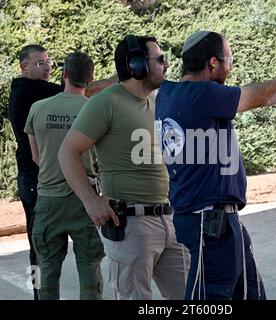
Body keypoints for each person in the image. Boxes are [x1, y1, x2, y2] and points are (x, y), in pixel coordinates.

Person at [155, 30, 276, 300]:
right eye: (228, 59)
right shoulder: (202, 94)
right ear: (212, 63)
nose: (231, 65)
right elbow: (263, 96)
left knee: (248, 292)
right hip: (208, 219)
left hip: (216, 217)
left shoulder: (168, 94)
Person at [58, 35, 189, 300]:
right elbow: (67, 152)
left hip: (169, 219)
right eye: (160, 59)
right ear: (136, 65)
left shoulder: (157, 102)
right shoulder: (105, 102)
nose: (166, 65)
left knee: (194, 296)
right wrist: (90, 201)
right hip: (131, 224)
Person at [7, 44, 117, 299]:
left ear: (64, 72)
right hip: (84, 200)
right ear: (90, 78)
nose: (47, 67)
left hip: (47, 198)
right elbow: (104, 157)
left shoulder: (38, 107)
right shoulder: (93, 108)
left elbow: (36, 156)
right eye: (40, 63)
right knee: (90, 273)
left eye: (49, 62)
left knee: (47, 273)